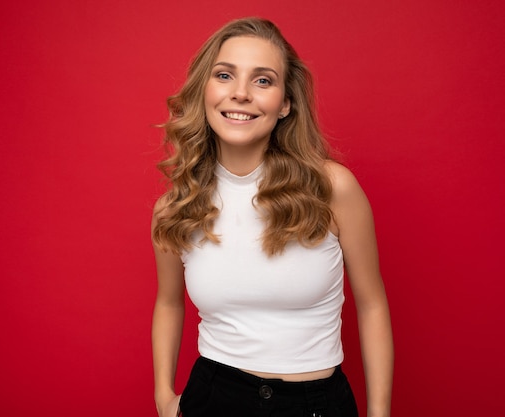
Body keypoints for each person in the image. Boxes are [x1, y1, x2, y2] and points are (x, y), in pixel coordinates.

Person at [151, 17, 393, 417]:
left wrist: (380, 414)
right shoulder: (178, 205)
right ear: (205, 91)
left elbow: (372, 306)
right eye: (225, 75)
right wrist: (163, 395)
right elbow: (168, 302)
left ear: (285, 103)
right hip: (213, 398)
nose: (241, 93)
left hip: (315, 404)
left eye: (262, 80)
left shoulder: (332, 189)